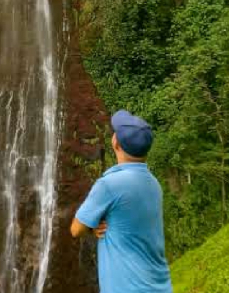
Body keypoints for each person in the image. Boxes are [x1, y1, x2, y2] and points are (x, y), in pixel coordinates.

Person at [70, 110, 173, 293]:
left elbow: (76, 229)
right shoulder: (153, 184)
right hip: (159, 287)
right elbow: (127, 219)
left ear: (115, 142)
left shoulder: (109, 185)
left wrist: (93, 227)